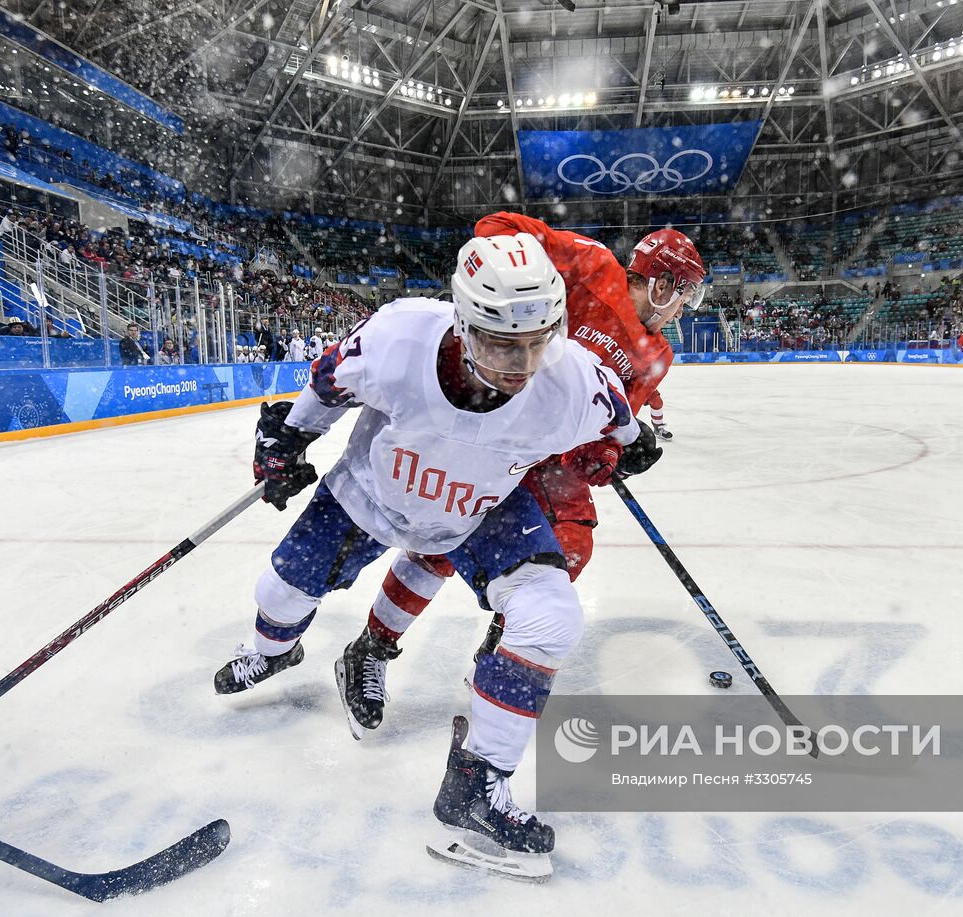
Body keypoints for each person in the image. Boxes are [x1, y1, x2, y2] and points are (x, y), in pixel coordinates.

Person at [213, 233, 652, 882]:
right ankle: (276, 650)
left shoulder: (568, 377)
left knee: (551, 616)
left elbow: (618, 415)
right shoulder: (400, 339)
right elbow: (330, 381)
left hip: (479, 508)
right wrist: (288, 435)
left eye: (539, 340)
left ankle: (477, 783)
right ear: (463, 321)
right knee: (277, 593)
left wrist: (628, 446)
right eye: (505, 342)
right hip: (369, 492)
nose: (524, 364)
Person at [340, 214, 702, 739]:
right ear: (664, 283)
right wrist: (501, 267)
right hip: (495, 429)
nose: (685, 309)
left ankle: (501, 654)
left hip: (551, 455)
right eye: (684, 294)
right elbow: (500, 224)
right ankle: (369, 648)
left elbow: (604, 427)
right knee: (442, 543)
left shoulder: (658, 355)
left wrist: (609, 455)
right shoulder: (595, 267)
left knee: (570, 547)